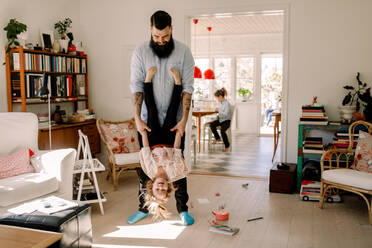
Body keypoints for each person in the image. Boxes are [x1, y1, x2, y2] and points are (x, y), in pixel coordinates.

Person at [129, 10, 194, 225]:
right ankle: (143, 207)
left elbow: (187, 89)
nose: (160, 41)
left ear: (171, 29)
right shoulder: (140, 51)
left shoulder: (184, 52)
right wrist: (137, 117)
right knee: (144, 175)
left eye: (164, 36)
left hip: (176, 119)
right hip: (148, 119)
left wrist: (184, 119)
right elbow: (137, 88)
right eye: (156, 37)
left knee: (179, 171)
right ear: (150, 30)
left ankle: (183, 210)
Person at [139, 67, 188, 221]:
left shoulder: (149, 171)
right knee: (173, 110)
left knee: (151, 111)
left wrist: (144, 132)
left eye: (157, 189)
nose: (160, 186)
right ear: (168, 188)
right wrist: (179, 132)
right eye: (163, 189)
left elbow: (146, 151)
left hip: (152, 141)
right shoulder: (174, 173)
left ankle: (148, 80)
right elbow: (177, 150)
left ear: (152, 186)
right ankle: (178, 83)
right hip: (169, 140)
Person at [210, 88, 232, 152]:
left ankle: (227, 146)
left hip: (226, 121)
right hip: (221, 120)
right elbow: (219, 114)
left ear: (220, 96)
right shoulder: (220, 103)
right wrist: (215, 119)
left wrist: (219, 110)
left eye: (217, 98)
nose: (217, 99)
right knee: (212, 125)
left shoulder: (227, 104)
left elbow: (225, 114)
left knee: (223, 131)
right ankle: (218, 138)